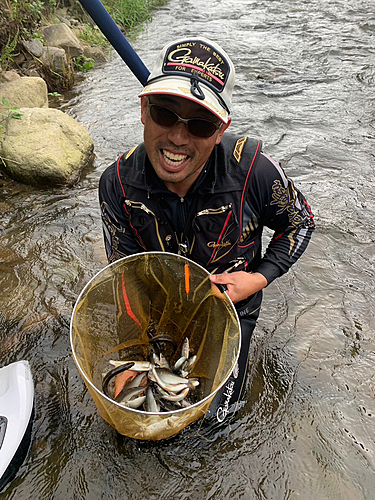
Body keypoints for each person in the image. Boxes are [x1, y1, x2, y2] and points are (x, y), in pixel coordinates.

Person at [98, 37, 315, 429]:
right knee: (137, 411)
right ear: (143, 110)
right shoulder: (116, 184)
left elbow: (300, 222)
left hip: (231, 311)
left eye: (199, 123)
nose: (179, 139)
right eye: (165, 114)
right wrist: (131, 352)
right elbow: (125, 276)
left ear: (220, 130)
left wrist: (257, 278)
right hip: (160, 315)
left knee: (215, 423)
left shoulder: (255, 172)